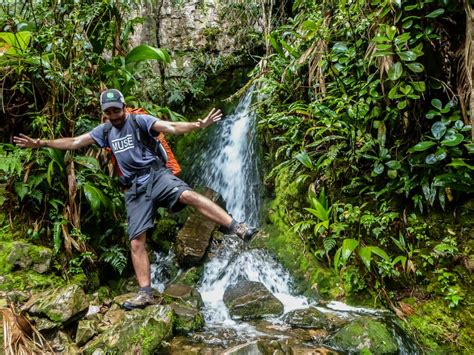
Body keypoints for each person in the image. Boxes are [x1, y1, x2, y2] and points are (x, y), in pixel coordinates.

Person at [13, 89, 258, 310]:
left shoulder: (140, 120)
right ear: (104, 113)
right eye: (108, 112)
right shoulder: (105, 130)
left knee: (189, 195)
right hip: (134, 189)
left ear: (124, 107)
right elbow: (76, 142)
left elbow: (169, 127)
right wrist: (41, 143)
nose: (113, 115)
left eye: (116, 110)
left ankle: (236, 226)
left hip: (156, 175)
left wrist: (197, 125)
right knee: (136, 242)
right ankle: (146, 293)